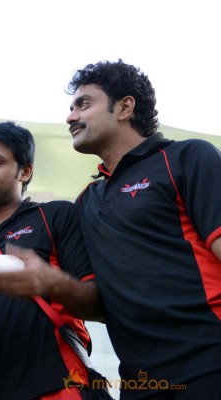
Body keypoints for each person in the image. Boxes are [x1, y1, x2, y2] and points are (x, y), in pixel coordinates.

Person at [62, 59, 221, 399]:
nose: (70, 117)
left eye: (83, 104)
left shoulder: (186, 158)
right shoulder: (85, 202)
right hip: (138, 383)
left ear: (125, 107)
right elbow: (95, 304)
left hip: (209, 363)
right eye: (70, 107)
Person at [0, 121, 105, 400]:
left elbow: (97, 302)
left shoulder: (56, 216)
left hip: (61, 388)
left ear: (25, 171)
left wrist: (49, 281)